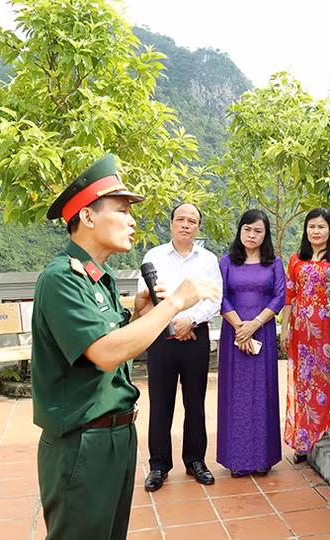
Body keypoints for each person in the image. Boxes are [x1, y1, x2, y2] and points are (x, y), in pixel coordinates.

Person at [32, 154, 220, 539]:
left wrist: (139, 315)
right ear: (87, 217)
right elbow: (104, 353)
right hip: (81, 439)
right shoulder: (62, 279)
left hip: (115, 434)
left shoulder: (98, 277)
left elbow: (120, 345)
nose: (133, 221)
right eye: (121, 210)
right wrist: (175, 304)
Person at [141, 203, 222, 492]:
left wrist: (191, 319)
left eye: (192, 221)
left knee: (195, 402)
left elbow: (214, 298)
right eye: (181, 219)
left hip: (195, 336)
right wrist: (173, 323)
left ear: (198, 226)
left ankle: (196, 461)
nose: (186, 224)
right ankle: (158, 466)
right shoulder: (155, 256)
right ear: (171, 223)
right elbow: (147, 295)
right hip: (162, 338)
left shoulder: (209, 260)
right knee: (161, 404)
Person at [217, 209, 285, 477]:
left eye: (258, 230)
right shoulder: (227, 262)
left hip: (263, 333)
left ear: (265, 234)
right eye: (247, 229)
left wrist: (254, 325)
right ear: (240, 231)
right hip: (234, 334)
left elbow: (279, 298)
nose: (252, 235)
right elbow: (220, 297)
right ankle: (237, 458)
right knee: (236, 395)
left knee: (262, 393)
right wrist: (240, 329)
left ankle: (262, 458)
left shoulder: (274, 263)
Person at [281, 208, 330, 463]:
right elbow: (289, 295)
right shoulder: (297, 259)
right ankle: (302, 442)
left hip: (327, 333)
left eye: (321, 227)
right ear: (306, 230)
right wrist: (285, 328)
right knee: (303, 383)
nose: (316, 231)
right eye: (311, 227)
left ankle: (320, 439)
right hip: (301, 332)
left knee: (324, 384)